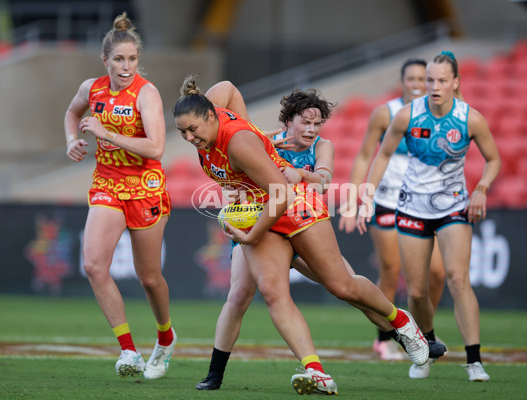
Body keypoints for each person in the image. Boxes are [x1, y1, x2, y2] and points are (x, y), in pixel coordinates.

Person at [174, 77, 431, 395]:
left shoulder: (238, 143)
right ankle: (316, 371)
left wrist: (252, 236)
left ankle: (400, 320)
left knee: (342, 286)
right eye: (182, 132)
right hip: (262, 208)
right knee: (271, 292)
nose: (188, 137)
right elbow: (226, 87)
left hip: (293, 204)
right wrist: (255, 134)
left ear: (210, 116)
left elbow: (282, 193)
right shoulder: (210, 122)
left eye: (192, 130)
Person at [357, 51, 501, 381]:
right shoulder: (407, 115)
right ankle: (428, 348)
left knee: (457, 278)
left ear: (455, 83)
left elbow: (494, 159)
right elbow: (383, 155)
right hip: (411, 208)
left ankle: (474, 361)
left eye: (438, 81)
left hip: (453, 207)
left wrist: (481, 189)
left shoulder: (470, 119)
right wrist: (368, 193)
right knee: (417, 292)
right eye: (429, 81)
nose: (432, 87)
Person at [64, 12, 176, 380]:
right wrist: (72, 140)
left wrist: (105, 133)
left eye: (132, 59)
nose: (126, 67)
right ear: (105, 61)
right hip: (108, 184)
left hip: (145, 188)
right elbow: (72, 112)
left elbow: (156, 148)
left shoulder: (147, 92)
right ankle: (128, 351)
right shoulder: (91, 88)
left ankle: (165, 336)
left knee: (149, 278)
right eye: (119, 60)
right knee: (94, 265)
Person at [338, 59, 446, 361]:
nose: (415, 83)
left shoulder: (439, 113)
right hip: (387, 200)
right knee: (391, 269)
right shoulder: (386, 113)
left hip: (424, 203)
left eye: (420, 78)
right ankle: (385, 338)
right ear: (401, 81)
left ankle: (422, 331)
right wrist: (353, 200)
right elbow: (363, 157)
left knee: (437, 273)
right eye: (409, 77)